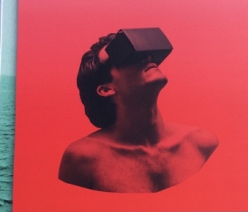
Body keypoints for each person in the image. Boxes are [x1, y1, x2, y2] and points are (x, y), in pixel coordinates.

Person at [58, 30, 219, 193]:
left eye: (141, 50)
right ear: (106, 89)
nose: (147, 58)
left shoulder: (202, 143)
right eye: (125, 55)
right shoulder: (83, 158)